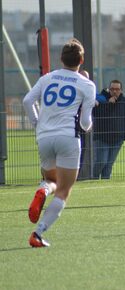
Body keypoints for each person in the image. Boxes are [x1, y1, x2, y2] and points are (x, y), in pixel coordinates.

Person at [22, 38, 96, 247]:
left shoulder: (47, 78)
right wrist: (87, 127)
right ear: (81, 59)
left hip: (44, 136)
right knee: (64, 190)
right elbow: (84, 121)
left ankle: (43, 190)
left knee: (51, 180)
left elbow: (28, 100)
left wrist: (37, 123)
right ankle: (38, 233)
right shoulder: (86, 84)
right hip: (68, 137)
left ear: (61, 58)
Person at [92, 80, 125, 179]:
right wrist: (108, 104)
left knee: (109, 164)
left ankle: (106, 181)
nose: (115, 91)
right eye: (112, 89)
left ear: (121, 90)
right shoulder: (102, 100)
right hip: (102, 138)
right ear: (109, 89)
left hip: (118, 139)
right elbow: (97, 114)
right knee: (101, 161)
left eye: (117, 89)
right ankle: (94, 178)